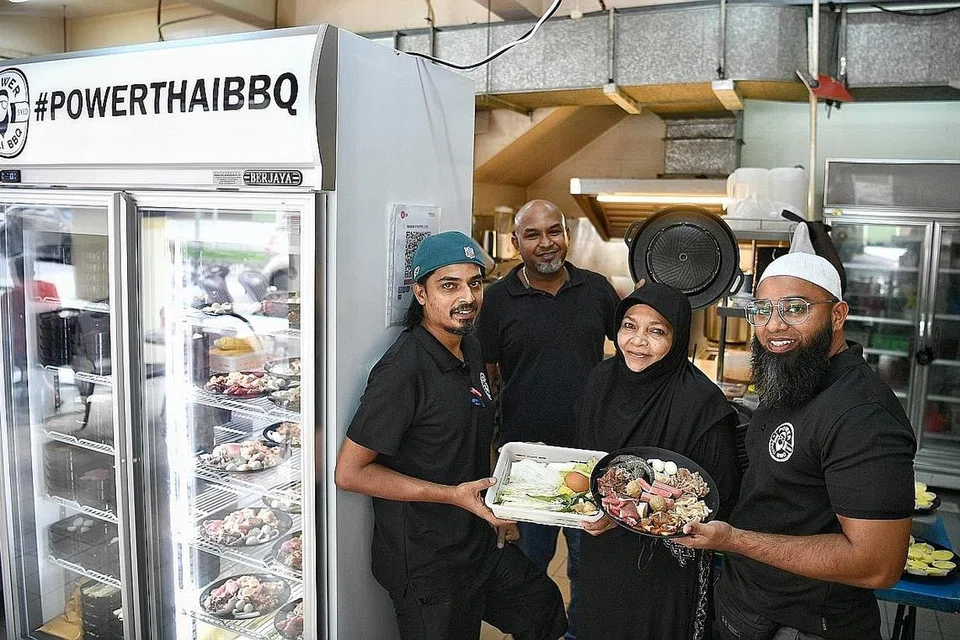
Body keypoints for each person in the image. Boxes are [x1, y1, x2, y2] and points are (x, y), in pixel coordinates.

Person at [335, 231, 567, 640]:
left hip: (477, 540)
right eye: (449, 285)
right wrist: (451, 494)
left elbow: (468, 440)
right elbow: (350, 473)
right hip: (428, 563)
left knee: (542, 606)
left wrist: (504, 493)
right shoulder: (402, 372)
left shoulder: (470, 346)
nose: (467, 297)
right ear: (421, 293)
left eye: (475, 283)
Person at [679, 252, 917, 640]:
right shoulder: (795, 373)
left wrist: (735, 540)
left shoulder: (863, 414)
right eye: (761, 309)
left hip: (802, 624)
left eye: (795, 308)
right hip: (747, 602)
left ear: (837, 315)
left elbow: (877, 565)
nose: (774, 325)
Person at [477, 199, 619, 639]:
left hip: (589, 458)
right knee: (529, 574)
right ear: (516, 242)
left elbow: (633, 349)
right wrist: (491, 467)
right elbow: (487, 384)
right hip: (529, 464)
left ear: (566, 235)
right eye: (533, 235)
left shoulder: (596, 289)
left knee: (586, 571)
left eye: (553, 232)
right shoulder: (497, 300)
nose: (545, 243)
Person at [575, 283, 741, 640]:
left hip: (665, 567)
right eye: (629, 326)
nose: (637, 341)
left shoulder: (701, 404)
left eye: (656, 331)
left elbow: (719, 496)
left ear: (678, 338)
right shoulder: (600, 381)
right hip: (602, 552)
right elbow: (589, 462)